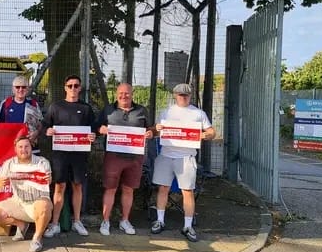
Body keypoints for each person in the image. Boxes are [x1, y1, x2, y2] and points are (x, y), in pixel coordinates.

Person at [152, 83, 216, 242]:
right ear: (175, 95)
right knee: (163, 188)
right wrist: (157, 128)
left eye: (186, 95)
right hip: (166, 155)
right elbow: (154, 130)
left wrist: (205, 135)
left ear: (190, 96)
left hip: (186, 157)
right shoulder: (166, 112)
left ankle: (188, 225)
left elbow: (212, 132)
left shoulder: (198, 114)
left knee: (187, 191)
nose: (183, 97)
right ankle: (160, 220)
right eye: (180, 94)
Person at [41, 74, 96, 238]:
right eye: (70, 85)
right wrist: (48, 131)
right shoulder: (55, 107)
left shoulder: (86, 108)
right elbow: (45, 125)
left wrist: (92, 135)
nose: (73, 88)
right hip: (60, 155)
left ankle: (77, 221)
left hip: (79, 155)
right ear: (65, 88)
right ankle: (55, 223)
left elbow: (93, 129)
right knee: (60, 187)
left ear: (80, 88)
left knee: (77, 186)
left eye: (76, 85)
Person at [96, 83, 154, 236]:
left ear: (132, 94)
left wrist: (150, 133)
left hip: (135, 157)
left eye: (127, 93)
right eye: (121, 93)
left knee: (129, 189)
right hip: (113, 156)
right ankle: (105, 221)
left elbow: (150, 128)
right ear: (116, 94)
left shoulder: (142, 110)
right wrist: (100, 129)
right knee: (110, 189)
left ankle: (125, 220)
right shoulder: (108, 110)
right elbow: (96, 126)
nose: (124, 96)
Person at [0, 135, 53, 252]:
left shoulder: (42, 162)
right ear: (15, 149)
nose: (24, 149)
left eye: (26, 146)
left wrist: (48, 178)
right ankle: (21, 225)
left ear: (31, 147)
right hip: (18, 201)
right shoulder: (9, 163)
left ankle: (37, 238)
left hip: (37, 201)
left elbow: (48, 180)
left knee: (44, 205)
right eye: (20, 147)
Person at [0, 75, 43, 153]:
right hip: (10, 148)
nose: (20, 90)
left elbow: (41, 124)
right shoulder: (6, 103)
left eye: (24, 87)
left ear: (27, 89)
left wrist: (36, 133)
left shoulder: (33, 104)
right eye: (17, 87)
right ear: (13, 89)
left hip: (30, 147)